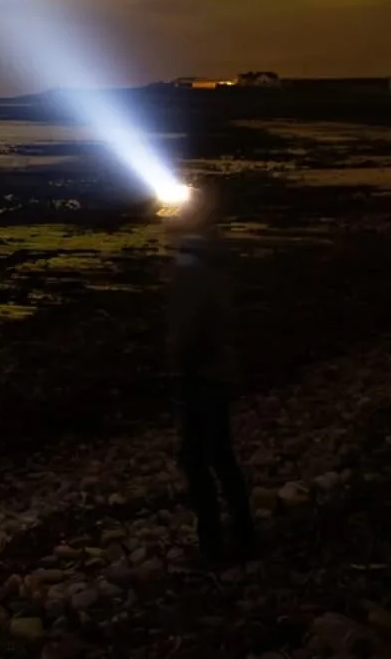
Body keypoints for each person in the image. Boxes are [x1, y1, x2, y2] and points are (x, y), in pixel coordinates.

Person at [166, 178, 256, 565]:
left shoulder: (192, 265)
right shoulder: (218, 258)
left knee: (198, 460)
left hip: (199, 376)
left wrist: (175, 369)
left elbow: (187, 325)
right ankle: (244, 532)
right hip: (219, 370)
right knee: (220, 456)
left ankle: (212, 544)